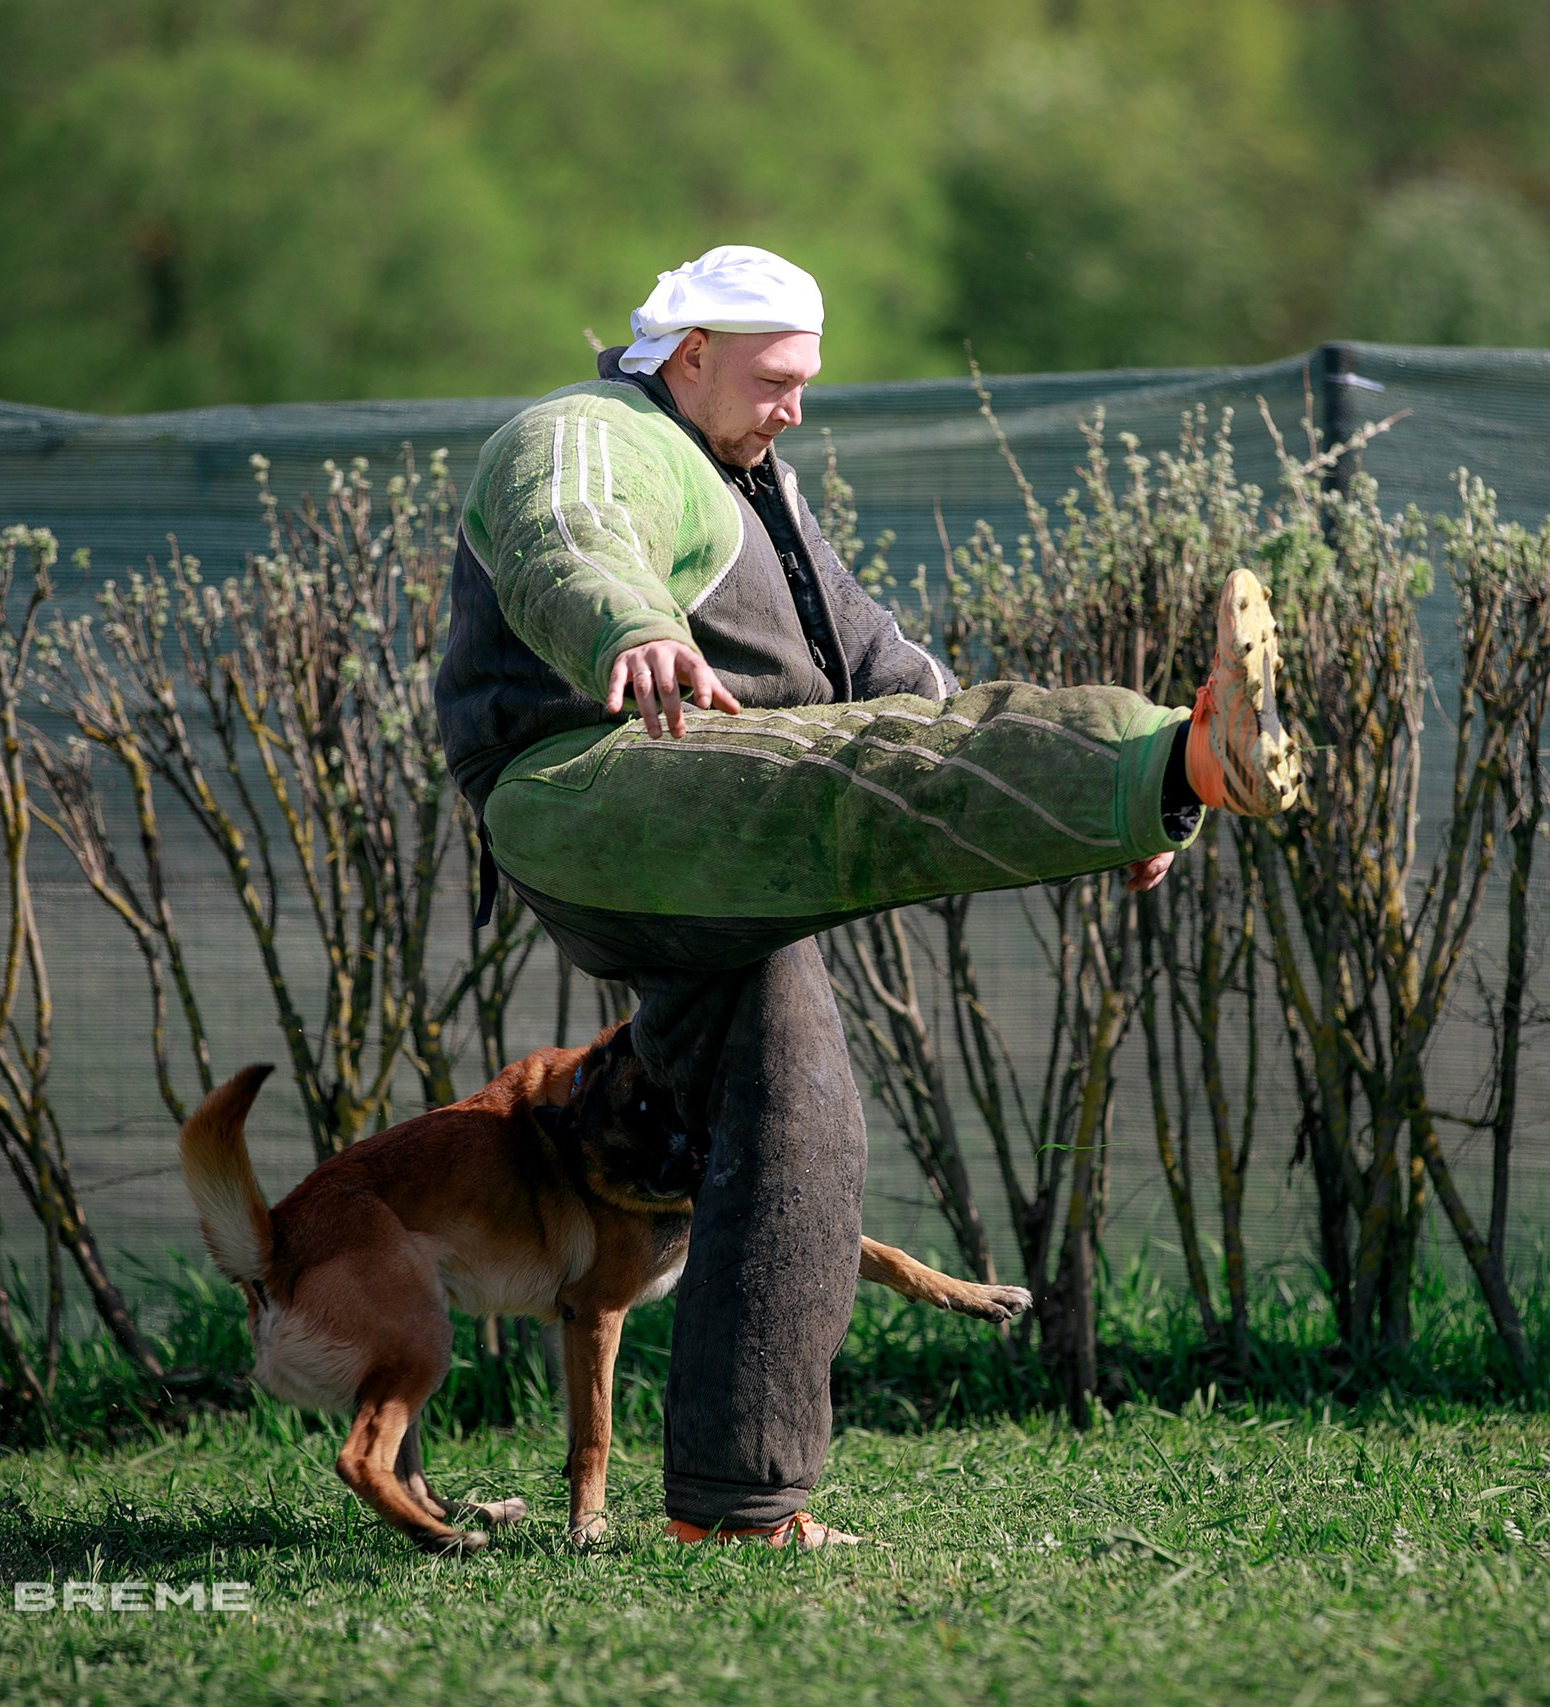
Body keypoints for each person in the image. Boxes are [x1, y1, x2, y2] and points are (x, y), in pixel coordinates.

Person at [434, 244, 1300, 1548]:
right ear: (688, 358)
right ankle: (1184, 746)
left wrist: (1098, 811)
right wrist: (636, 633)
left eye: (807, 385)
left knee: (801, 1131)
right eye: (776, 382)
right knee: (847, 780)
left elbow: (887, 682)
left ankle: (735, 1508)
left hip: (718, 835)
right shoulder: (588, 433)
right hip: (589, 785)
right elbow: (568, 540)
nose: (796, 409)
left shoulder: (755, 480)